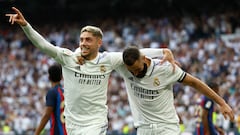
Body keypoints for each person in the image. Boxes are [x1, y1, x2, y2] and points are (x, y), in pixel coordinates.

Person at [6, 7, 177, 134]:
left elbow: (131, 54)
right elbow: (43, 45)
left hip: (96, 123)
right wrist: (25, 25)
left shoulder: (107, 60)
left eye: (88, 40)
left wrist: (162, 52)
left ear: (99, 42)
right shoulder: (69, 58)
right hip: (73, 126)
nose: (83, 43)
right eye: (81, 39)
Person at [114, 46, 234, 135]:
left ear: (144, 59)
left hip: (166, 128)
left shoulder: (165, 68)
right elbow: (104, 55)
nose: (135, 73)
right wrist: (163, 51)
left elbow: (195, 82)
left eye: (138, 69)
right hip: (143, 129)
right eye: (131, 71)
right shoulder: (123, 66)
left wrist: (222, 103)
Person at [34, 63, 67, 135]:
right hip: (67, 131)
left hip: (57, 131)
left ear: (49, 77)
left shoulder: (52, 92)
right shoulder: (65, 92)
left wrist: (36, 133)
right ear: (61, 77)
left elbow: (47, 115)